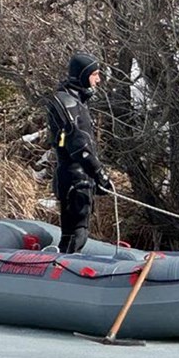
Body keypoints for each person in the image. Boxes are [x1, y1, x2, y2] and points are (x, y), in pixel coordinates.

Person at [46, 52, 113, 253]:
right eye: (95, 74)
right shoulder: (67, 102)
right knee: (77, 233)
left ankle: (62, 263)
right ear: (83, 75)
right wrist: (99, 173)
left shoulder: (77, 101)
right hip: (75, 178)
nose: (98, 80)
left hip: (81, 177)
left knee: (76, 233)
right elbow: (78, 145)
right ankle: (61, 268)